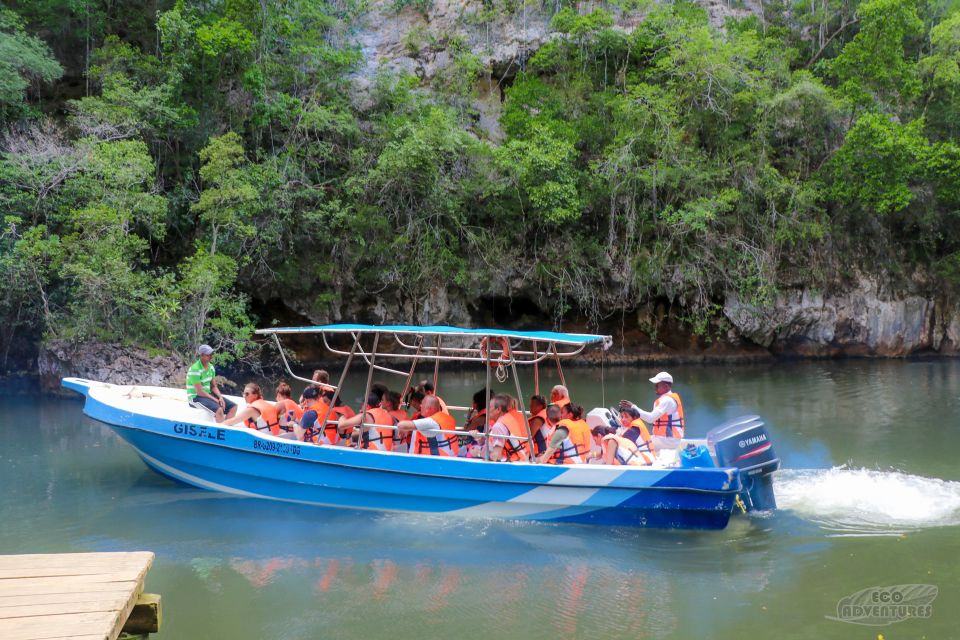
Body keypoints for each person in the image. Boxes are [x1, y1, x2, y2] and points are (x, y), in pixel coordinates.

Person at [620, 371, 685, 438]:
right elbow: (653, 419)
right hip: (667, 439)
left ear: (666, 386)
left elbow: (650, 419)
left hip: (668, 440)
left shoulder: (667, 400)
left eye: (657, 385)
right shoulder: (667, 399)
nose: (655, 387)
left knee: (637, 441)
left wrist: (633, 407)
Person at [186, 344, 236, 421]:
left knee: (233, 407)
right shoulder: (195, 369)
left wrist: (220, 397)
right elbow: (200, 392)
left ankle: (226, 427)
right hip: (196, 398)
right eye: (208, 355)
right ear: (202, 355)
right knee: (219, 410)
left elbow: (213, 386)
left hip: (207, 395)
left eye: (211, 354)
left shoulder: (211, 367)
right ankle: (220, 430)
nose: (211, 356)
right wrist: (216, 400)